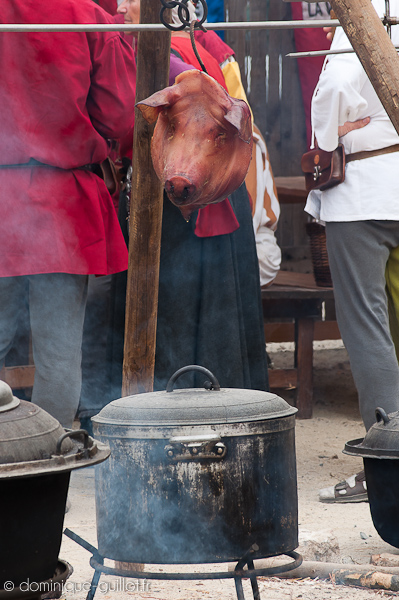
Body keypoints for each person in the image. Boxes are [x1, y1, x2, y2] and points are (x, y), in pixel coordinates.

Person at [106, 0, 269, 400]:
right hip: (202, 205)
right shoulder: (201, 49)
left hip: (186, 202)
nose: (122, 6)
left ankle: (188, 406)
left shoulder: (171, 61)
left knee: (180, 317)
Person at [0, 0, 136, 429]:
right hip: (62, 205)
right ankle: (47, 474)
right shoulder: (85, 14)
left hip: (7, 200)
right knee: (59, 355)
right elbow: (120, 116)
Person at [306, 0, 399, 502]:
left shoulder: (370, 12)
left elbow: (337, 89)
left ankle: (385, 464)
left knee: (367, 326)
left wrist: (329, 133)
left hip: (365, 193)